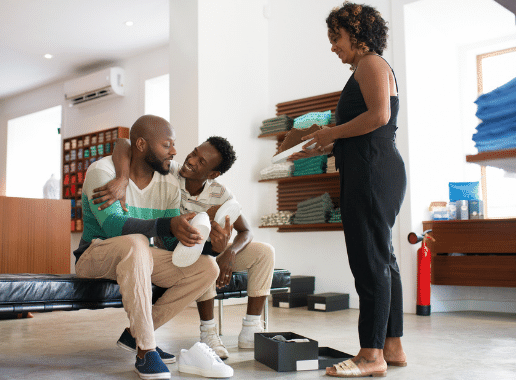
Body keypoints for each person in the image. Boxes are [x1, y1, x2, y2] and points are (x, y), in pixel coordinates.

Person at [287, 2, 408, 378]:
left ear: (357, 35)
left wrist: (332, 133)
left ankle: (370, 356)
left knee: (370, 263)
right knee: (382, 259)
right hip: (372, 169)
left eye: (335, 37)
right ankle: (392, 346)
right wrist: (330, 142)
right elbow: (369, 124)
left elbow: (379, 116)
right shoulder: (366, 68)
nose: (332, 46)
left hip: (371, 173)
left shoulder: (371, 63)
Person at [94, 136, 277, 360]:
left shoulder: (219, 193)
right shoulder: (170, 172)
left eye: (201, 162)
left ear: (212, 174)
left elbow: (246, 230)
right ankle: (208, 332)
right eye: (193, 153)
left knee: (264, 252)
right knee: (204, 258)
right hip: (175, 251)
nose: (190, 160)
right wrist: (122, 178)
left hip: (207, 247)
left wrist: (229, 252)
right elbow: (124, 143)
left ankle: (251, 329)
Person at [73, 115, 219, 380]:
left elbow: (173, 243)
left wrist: (208, 244)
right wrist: (167, 225)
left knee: (206, 267)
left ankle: (136, 335)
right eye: (167, 145)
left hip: (138, 257)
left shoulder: (169, 182)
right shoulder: (102, 172)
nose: (174, 151)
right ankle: (146, 349)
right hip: (95, 256)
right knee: (136, 241)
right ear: (141, 145)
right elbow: (114, 227)